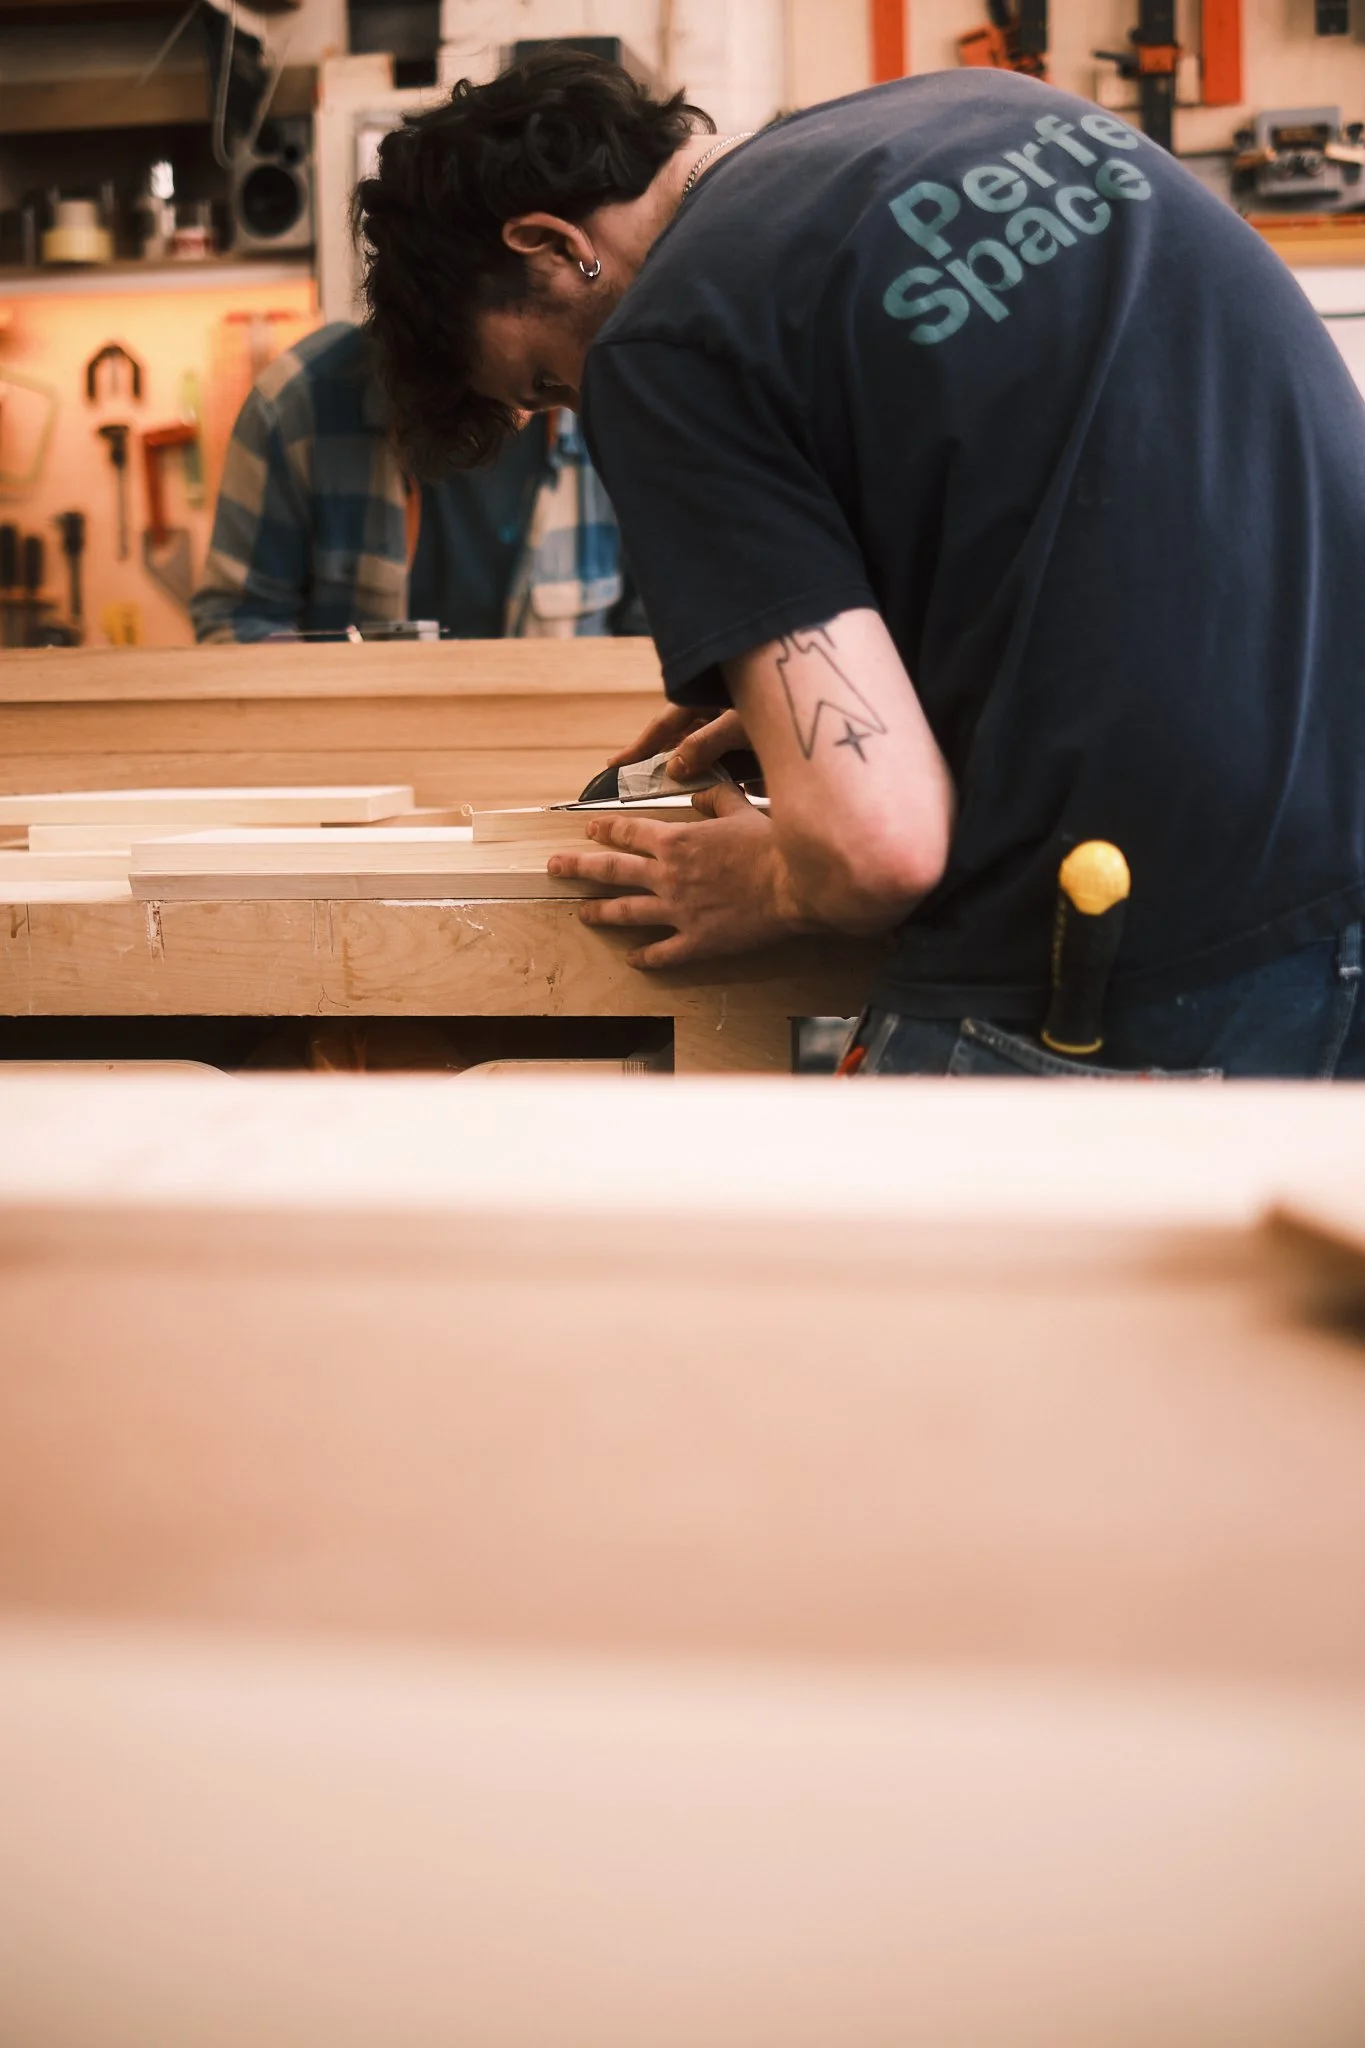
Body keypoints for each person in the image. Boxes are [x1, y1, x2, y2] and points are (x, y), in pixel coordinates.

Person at [352, 53, 1365, 1078]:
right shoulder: (998, 112)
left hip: (1141, 960)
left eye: (548, 380)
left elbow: (876, 852)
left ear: (550, 244)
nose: (579, 400)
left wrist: (773, 883)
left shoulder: (666, 337)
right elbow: (1108, 536)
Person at [191, 318, 642, 642]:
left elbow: (659, 641)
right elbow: (238, 625)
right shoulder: (295, 407)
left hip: (563, 763)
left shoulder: (622, 413)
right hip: (357, 759)